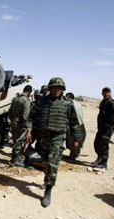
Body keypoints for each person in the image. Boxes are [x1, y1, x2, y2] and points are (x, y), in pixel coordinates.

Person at [26, 77, 81, 207]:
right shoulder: (41, 102)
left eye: (59, 88)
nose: (57, 90)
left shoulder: (68, 104)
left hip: (58, 137)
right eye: (54, 87)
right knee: (44, 161)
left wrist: (76, 138)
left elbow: (74, 123)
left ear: (62, 90)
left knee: (52, 163)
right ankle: (47, 179)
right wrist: (28, 129)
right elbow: (31, 116)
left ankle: (48, 191)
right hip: (43, 136)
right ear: (50, 88)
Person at [93, 87, 114, 171]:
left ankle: (104, 163)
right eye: (104, 92)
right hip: (101, 127)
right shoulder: (103, 102)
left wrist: (110, 123)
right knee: (97, 143)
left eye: (107, 92)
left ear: (110, 93)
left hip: (108, 128)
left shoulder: (112, 103)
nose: (106, 94)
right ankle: (100, 159)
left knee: (104, 145)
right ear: (102, 93)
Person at [8, 84, 32, 167]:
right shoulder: (26, 100)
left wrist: (12, 120)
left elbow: (10, 111)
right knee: (19, 140)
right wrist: (26, 126)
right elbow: (25, 115)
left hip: (14, 121)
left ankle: (15, 157)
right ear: (29, 92)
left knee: (15, 139)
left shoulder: (15, 98)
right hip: (20, 123)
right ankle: (16, 159)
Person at [65, 92, 86, 160]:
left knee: (75, 140)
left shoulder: (72, 105)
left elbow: (74, 119)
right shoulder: (77, 104)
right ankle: (74, 155)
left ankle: (73, 157)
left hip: (75, 125)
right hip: (80, 125)